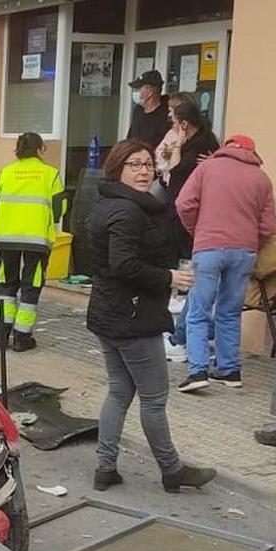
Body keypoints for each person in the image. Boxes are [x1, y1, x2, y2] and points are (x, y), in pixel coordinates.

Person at [86, 139, 216, 493]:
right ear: (118, 168)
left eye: (147, 165)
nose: (144, 172)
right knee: (154, 399)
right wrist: (169, 278)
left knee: (118, 392)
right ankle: (172, 469)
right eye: (134, 165)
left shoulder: (112, 202)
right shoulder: (128, 212)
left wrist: (170, 171)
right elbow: (123, 263)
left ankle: (105, 467)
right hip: (133, 317)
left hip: (110, 312)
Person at [176, 134, 276, 392]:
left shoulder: (207, 168)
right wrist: (252, 241)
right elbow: (268, 224)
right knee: (230, 311)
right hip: (244, 252)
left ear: (227, 148)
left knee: (199, 310)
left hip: (209, 248)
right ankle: (230, 370)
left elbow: (184, 203)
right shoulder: (262, 179)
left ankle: (197, 371)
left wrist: (196, 231)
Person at [0, 132, 66, 352]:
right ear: (40, 149)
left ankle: (1, 332)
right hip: (37, 239)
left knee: (7, 284)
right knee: (31, 286)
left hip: (6, 238)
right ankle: (22, 336)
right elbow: (60, 208)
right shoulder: (50, 174)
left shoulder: (6, 172)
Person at [161, 101, 220, 363]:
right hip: (188, 212)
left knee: (192, 270)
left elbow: (174, 170)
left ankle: (182, 336)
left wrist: (176, 147)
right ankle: (193, 332)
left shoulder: (199, 143)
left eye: (174, 119)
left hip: (189, 214)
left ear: (184, 123)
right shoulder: (202, 141)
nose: (171, 123)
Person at [127, 70, 169, 148]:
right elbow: (130, 138)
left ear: (150, 91)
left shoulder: (167, 114)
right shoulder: (138, 111)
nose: (136, 92)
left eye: (139, 88)